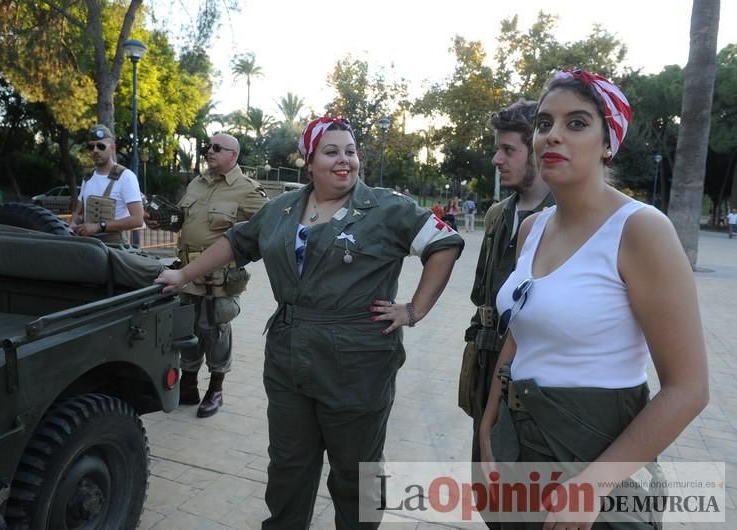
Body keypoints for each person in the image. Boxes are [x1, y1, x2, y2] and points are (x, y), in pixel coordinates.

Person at [155, 117, 464, 529]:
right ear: (310, 160)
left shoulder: (385, 208)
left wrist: (413, 310)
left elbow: (444, 243)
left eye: (351, 151)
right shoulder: (283, 209)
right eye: (332, 152)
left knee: (357, 469)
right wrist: (183, 274)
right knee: (288, 463)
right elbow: (237, 241)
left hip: (358, 359)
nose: (345, 161)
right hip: (288, 352)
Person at [479, 70, 708, 528]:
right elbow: (521, 331)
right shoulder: (533, 228)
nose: (552, 136)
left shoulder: (641, 230)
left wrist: (593, 484)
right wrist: (488, 429)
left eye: (577, 123)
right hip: (518, 438)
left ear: (608, 143)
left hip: (591, 444)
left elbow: (689, 389)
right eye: (544, 124)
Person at [460, 101, 553, 471]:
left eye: (508, 149)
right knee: (484, 476)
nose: (497, 159)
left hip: (531, 373)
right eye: (497, 148)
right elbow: (482, 296)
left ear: (537, 149)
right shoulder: (498, 214)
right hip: (485, 362)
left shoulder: (566, 217)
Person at [148, 133, 268, 418]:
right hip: (187, 271)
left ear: (233, 155)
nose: (209, 152)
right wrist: (165, 220)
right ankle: (189, 384)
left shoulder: (247, 189)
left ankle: (216, 388)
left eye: (217, 148)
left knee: (214, 328)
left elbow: (270, 225)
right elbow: (185, 220)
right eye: (207, 147)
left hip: (219, 276)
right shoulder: (197, 183)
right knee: (187, 328)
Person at [71, 124, 144, 244]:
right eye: (91, 147)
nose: (95, 150)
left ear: (112, 148)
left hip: (114, 246)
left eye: (100, 146)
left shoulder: (126, 177)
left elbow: (137, 219)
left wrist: (99, 227)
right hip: (87, 244)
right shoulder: (88, 177)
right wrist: (73, 224)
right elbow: (78, 213)